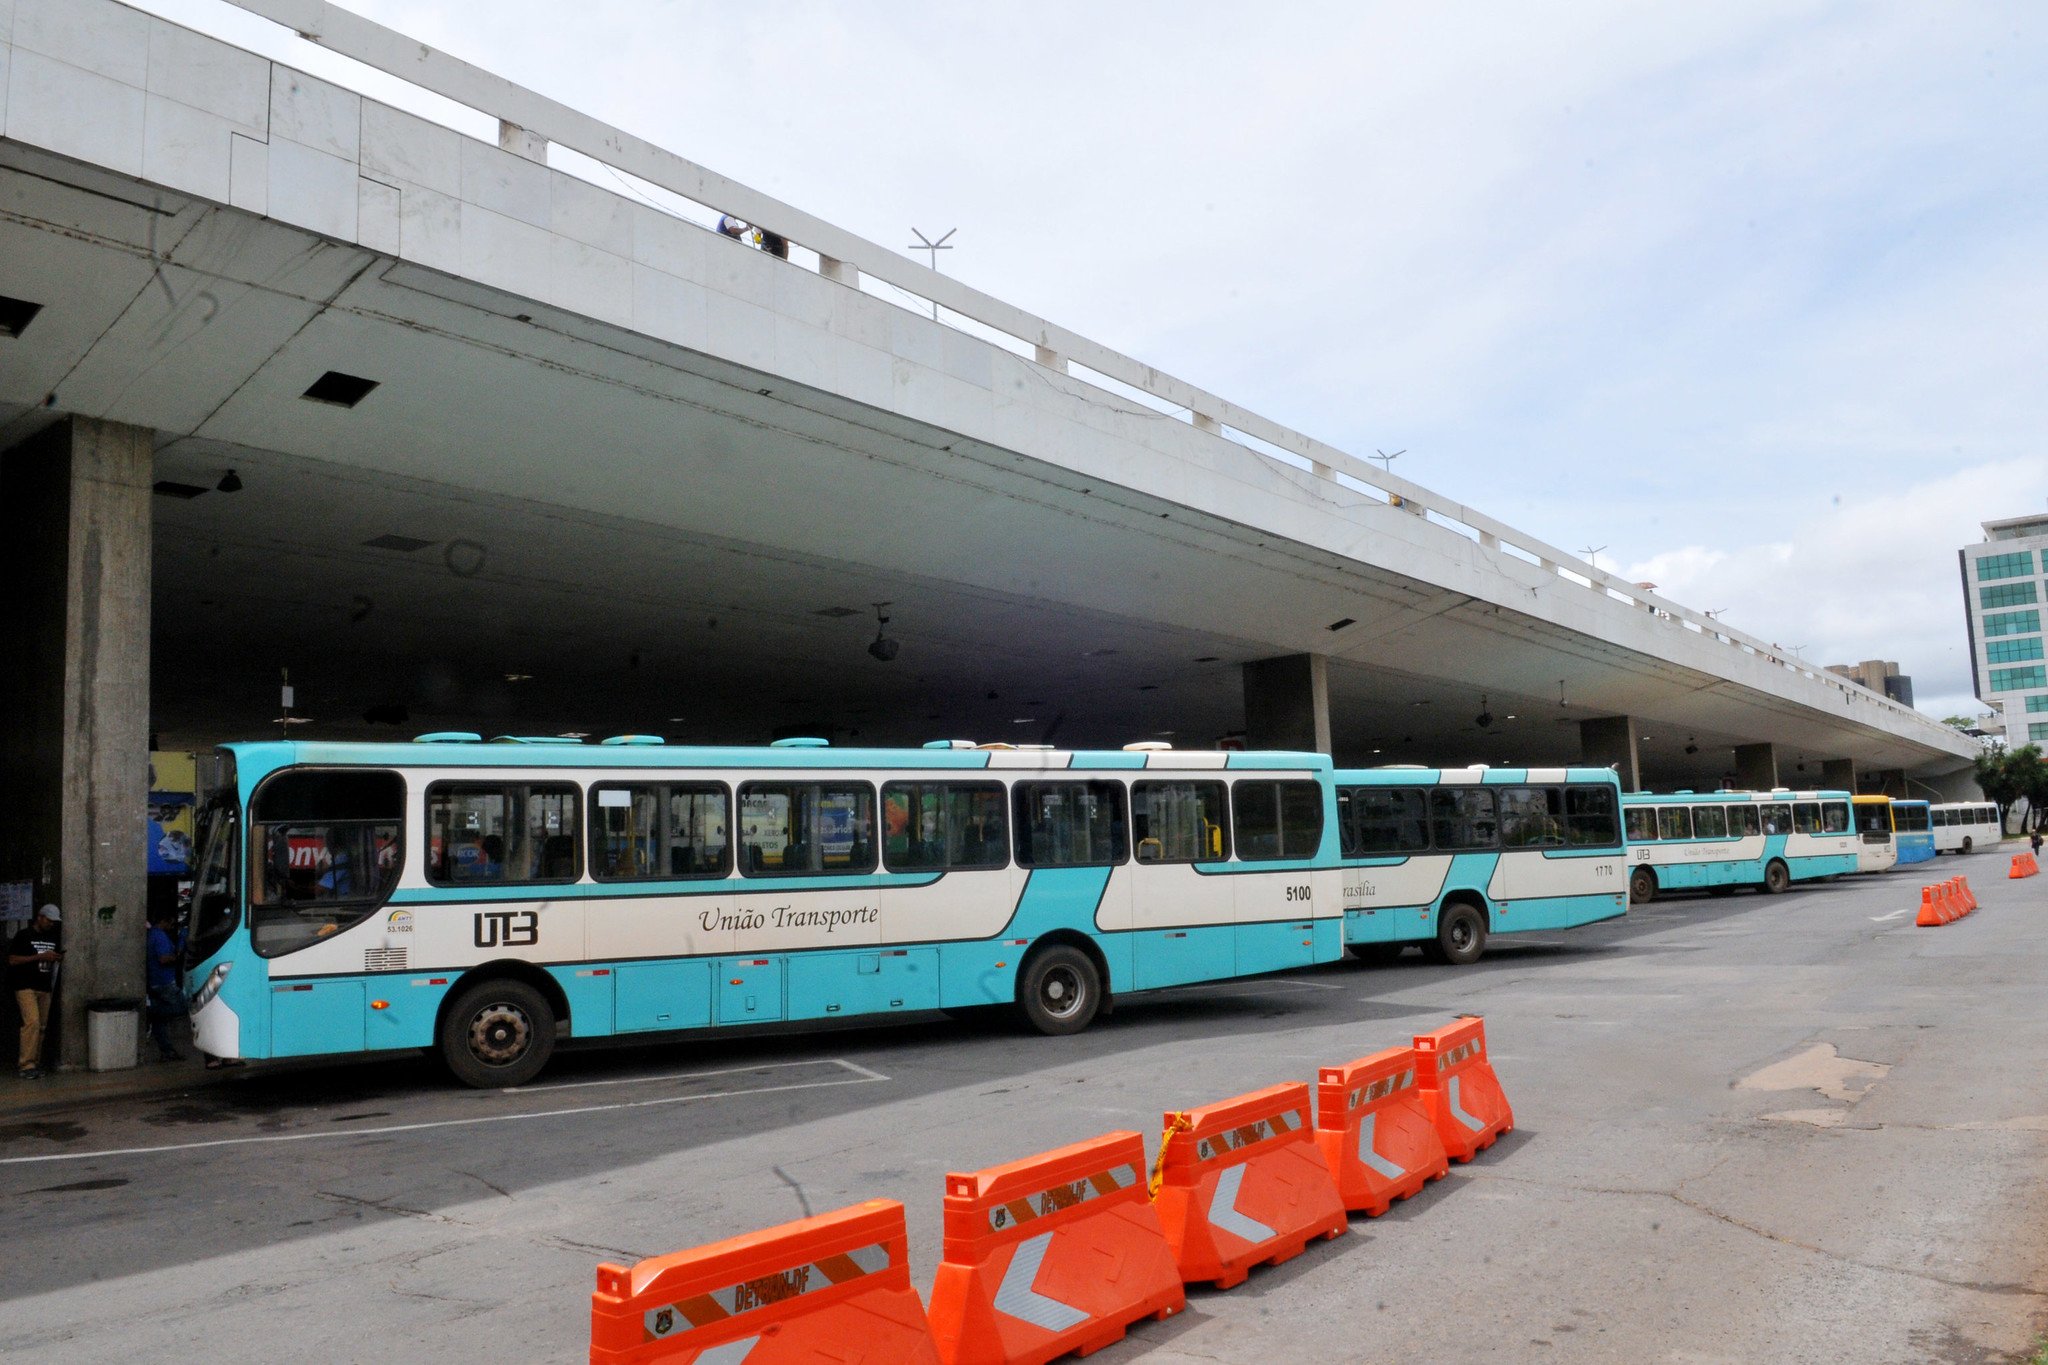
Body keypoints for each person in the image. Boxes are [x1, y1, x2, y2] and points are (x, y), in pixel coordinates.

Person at [8, 904, 63, 1080]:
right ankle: (26, 1064)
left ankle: (35, 1062)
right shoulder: (24, 936)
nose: (51, 924)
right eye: (48, 920)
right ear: (40, 917)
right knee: (32, 1022)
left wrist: (55, 958)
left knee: (41, 1027)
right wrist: (39, 957)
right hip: (25, 986)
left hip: (44, 986)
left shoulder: (53, 936)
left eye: (53, 922)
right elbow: (13, 960)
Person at [145, 911, 185, 1062]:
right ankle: (151, 1012)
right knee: (183, 1006)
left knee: (159, 1023)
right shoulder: (160, 936)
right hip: (164, 981)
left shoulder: (151, 934)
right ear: (164, 921)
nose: (172, 927)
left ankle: (167, 1051)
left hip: (155, 981)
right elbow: (163, 958)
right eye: (171, 923)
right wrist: (178, 957)